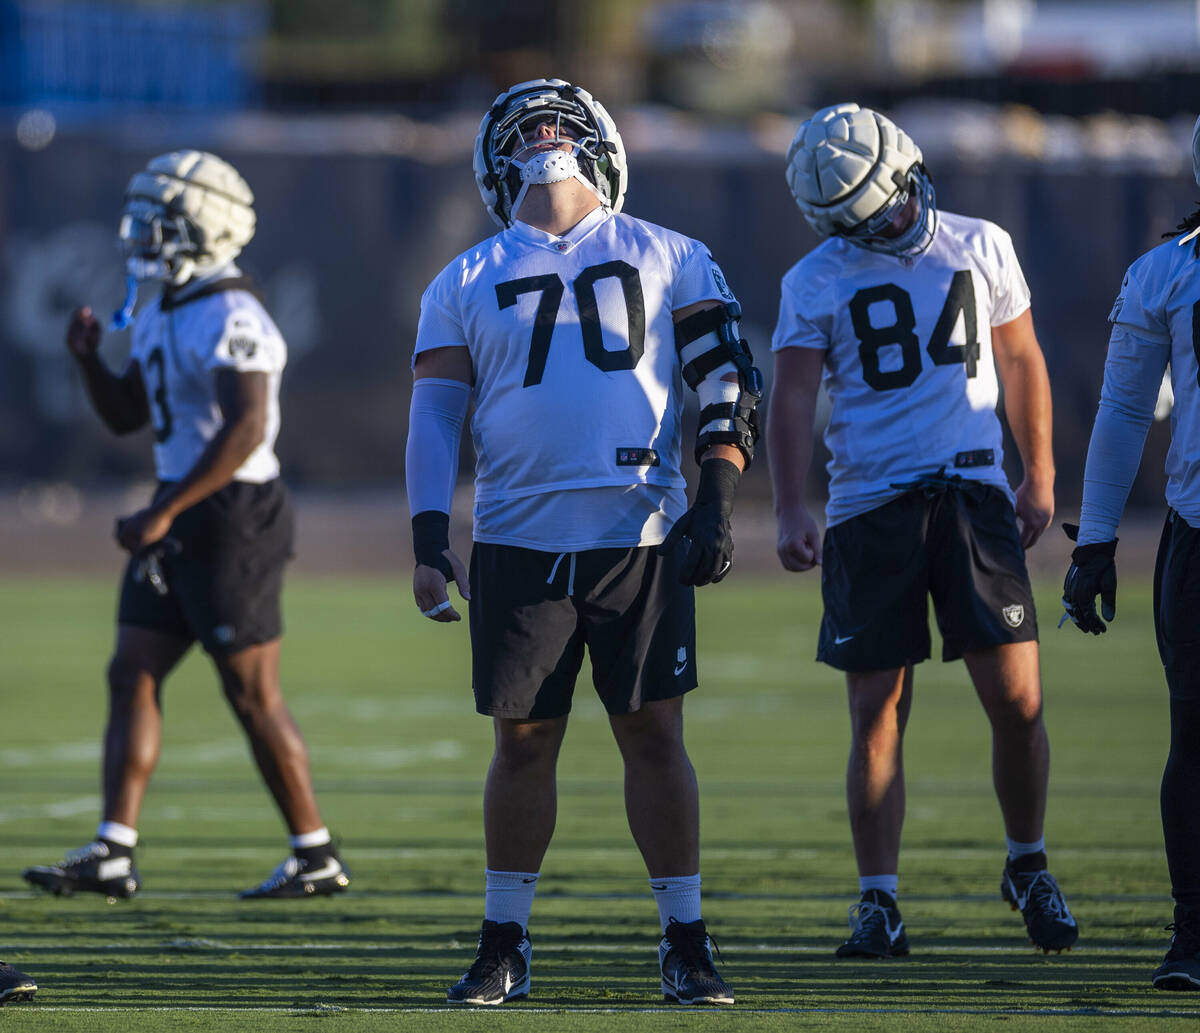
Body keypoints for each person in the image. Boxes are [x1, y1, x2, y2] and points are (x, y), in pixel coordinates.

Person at [407, 78, 760, 1005]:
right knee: (521, 742)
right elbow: (435, 420)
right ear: (494, 162)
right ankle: (504, 942)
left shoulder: (672, 253)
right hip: (519, 535)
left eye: (562, 122)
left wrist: (717, 497)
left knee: (653, 732)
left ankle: (686, 937)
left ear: (602, 143)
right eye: (527, 127)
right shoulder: (464, 278)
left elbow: (725, 381)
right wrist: (426, 535)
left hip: (637, 528)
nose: (545, 136)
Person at [767, 103, 1077, 958]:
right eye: (872, 217)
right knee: (876, 710)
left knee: (1017, 699)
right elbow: (792, 395)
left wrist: (1040, 471)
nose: (895, 221)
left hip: (974, 495)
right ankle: (879, 898)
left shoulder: (980, 242)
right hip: (871, 508)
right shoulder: (815, 278)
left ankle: (1028, 861)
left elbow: (1020, 358)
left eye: (896, 201)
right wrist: (793, 503)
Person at [23, 151, 348, 901]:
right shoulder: (167, 305)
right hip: (179, 505)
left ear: (204, 226)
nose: (142, 238)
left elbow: (245, 429)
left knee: (251, 693)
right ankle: (114, 849)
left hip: (234, 515)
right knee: (130, 669)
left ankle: (315, 852)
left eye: (158, 222)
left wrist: (163, 509)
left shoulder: (235, 314)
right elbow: (128, 413)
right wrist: (86, 361)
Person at [1061, 115, 1200, 991]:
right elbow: (1120, 412)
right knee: (1194, 738)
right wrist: (1097, 538)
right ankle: (1193, 929)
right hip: (1198, 529)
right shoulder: (1169, 269)